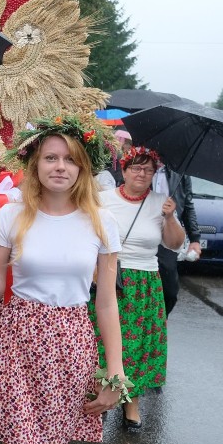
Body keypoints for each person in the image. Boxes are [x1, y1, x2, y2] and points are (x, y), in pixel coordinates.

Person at [0, 113, 128, 444]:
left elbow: (106, 303)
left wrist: (115, 374)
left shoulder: (102, 223)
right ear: (35, 165)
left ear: (83, 166)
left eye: (70, 159)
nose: (60, 167)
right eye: (51, 158)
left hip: (70, 349)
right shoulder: (12, 216)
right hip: (15, 345)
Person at [92, 146, 185, 429]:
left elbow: (174, 243)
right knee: (101, 339)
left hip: (144, 282)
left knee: (138, 345)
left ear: (154, 174)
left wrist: (170, 217)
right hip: (109, 277)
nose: (141, 174)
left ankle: (131, 403)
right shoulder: (103, 199)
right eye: (136, 168)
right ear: (124, 170)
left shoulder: (162, 203)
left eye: (148, 169)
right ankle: (99, 395)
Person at [152, 165, 201, 315]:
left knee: (169, 291)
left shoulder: (180, 172)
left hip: (169, 235)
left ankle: (160, 322)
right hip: (143, 231)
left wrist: (195, 239)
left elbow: (187, 205)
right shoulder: (142, 168)